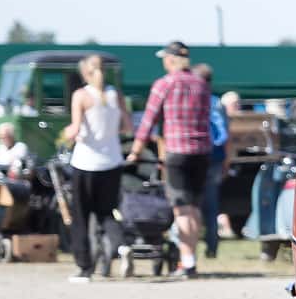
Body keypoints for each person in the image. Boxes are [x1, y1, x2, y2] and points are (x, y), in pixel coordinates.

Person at [130, 39, 212, 276]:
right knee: (194, 207)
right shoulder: (201, 84)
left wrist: (136, 151)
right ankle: (191, 258)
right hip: (202, 150)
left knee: (181, 209)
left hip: (177, 151)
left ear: (170, 59)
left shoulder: (164, 84)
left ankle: (187, 262)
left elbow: (148, 120)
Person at [60, 53, 129, 283]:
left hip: (87, 162)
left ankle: (84, 267)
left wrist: (64, 135)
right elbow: (127, 126)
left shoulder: (81, 95)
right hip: (112, 162)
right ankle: (121, 247)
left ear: (85, 73)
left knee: (81, 215)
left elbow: (76, 129)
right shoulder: (115, 95)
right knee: (107, 212)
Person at [195, 64, 227, 259]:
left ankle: (187, 248)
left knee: (190, 204)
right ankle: (212, 247)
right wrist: (227, 159)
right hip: (215, 156)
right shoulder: (217, 102)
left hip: (197, 154)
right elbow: (226, 135)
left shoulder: (195, 99)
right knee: (212, 204)